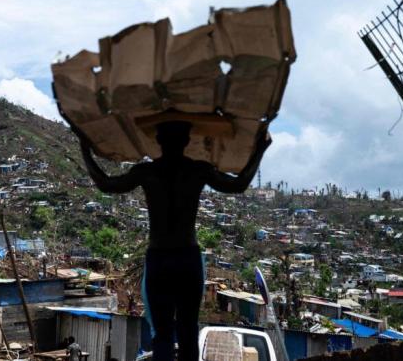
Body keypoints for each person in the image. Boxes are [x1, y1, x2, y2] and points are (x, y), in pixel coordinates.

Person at [76, 120, 271, 361]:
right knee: (187, 332)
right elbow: (238, 184)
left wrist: (84, 149)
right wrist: (260, 150)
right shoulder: (198, 169)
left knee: (163, 335)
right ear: (187, 142)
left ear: (158, 142)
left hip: (160, 258)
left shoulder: (147, 172)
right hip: (187, 258)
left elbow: (106, 184)